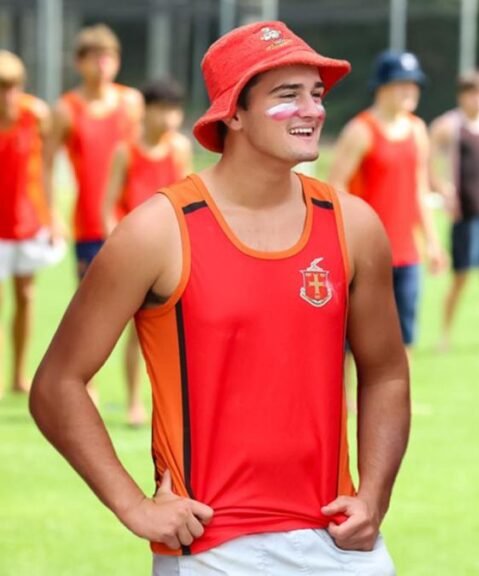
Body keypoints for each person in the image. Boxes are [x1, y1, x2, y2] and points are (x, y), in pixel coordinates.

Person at [31, 21, 408, 575]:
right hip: (214, 550)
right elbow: (57, 385)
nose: (312, 110)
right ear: (233, 113)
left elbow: (387, 374)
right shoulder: (158, 231)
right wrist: (133, 506)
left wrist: (374, 496)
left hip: (340, 544)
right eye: (288, 95)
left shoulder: (353, 224)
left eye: (316, 94)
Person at [328, 51, 445, 350]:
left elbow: (419, 189)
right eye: (401, 83)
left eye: (414, 84)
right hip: (365, 258)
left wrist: (432, 242)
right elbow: (335, 187)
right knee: (354, 342)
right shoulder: (360, 131)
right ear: (381, 87)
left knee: (401, 341)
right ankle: (344, 399)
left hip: (407, 256)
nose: (410, 91)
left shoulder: (418, 130)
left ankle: (393, 399)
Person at [102, 78, 192, 427]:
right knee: (134, 331)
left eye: (175, 110)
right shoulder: (126, 151)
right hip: (134, 253)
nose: (170, 118)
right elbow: (109, 204)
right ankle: (133, 402)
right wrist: (119, 245)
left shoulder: (179, 148)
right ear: (148, 111)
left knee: (173, 330)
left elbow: (186, 198)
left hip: (170, 252)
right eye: (163, 109)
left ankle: (170, 404)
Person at [49, 23, 143, 280]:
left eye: (109, 57)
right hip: (88, 224)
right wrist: (52, 214)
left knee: (145, 311)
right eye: (95, 57)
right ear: (79, 62)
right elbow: (45, 166)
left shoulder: (132, 102)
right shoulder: (66, 109)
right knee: (92, 309)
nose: (103, 65)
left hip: (134, 221)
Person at [428, 69, 479, 351]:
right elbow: (428, 166)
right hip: (465, 216)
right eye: (475, 94)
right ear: (463, 96)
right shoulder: (446, 126)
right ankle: (444, 337)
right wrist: (444, 191)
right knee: (460, 280)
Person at [0, 50, 63, 398]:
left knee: (25, 295)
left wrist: (53, 217)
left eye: (11, 86)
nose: (6, 93)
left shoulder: (35, 115)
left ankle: (18, 374)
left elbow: (48, 169)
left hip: (26, 221)